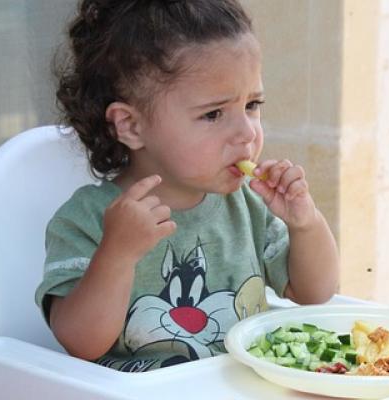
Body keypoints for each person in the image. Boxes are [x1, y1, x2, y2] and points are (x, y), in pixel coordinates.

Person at [35, 0, 339, 372]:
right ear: (131, 126)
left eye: (252, 104)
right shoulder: (89, 219)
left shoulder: (247, 206)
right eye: (213, 114)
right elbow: (81, 343)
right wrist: (116, 255)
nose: (247, 133)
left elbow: (313, 293)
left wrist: (305, 222)